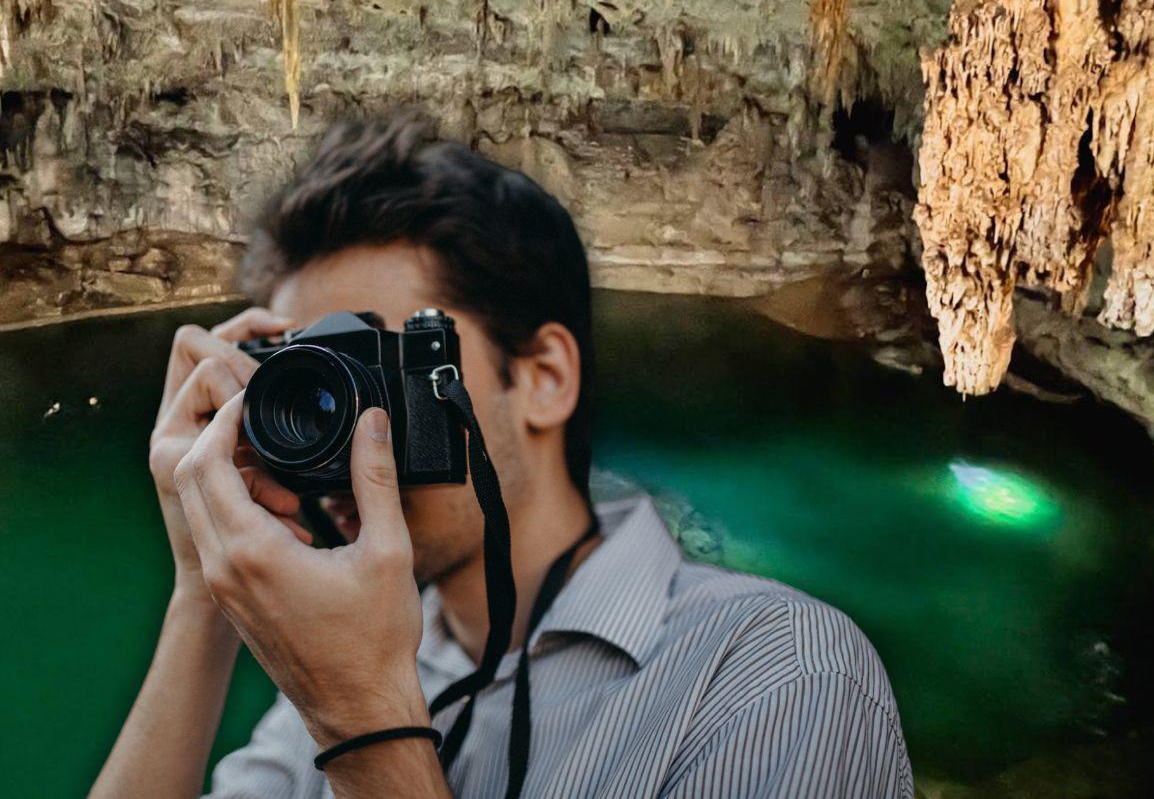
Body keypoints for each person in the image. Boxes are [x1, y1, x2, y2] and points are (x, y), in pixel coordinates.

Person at [90, 108, 913, 799]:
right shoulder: (349, 668)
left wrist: (368, 727)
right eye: (307, 377)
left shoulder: (772, 675)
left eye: (381, 370)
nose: (337, 429)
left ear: (545, 377)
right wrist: (205, 591)